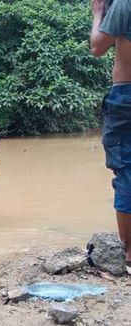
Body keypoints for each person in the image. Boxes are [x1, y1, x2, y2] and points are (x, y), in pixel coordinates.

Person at [90, 0, 131, 274]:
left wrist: (98, 15)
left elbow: (97, 48)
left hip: (126, 95)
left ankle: (129, 251)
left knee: (127, 171)